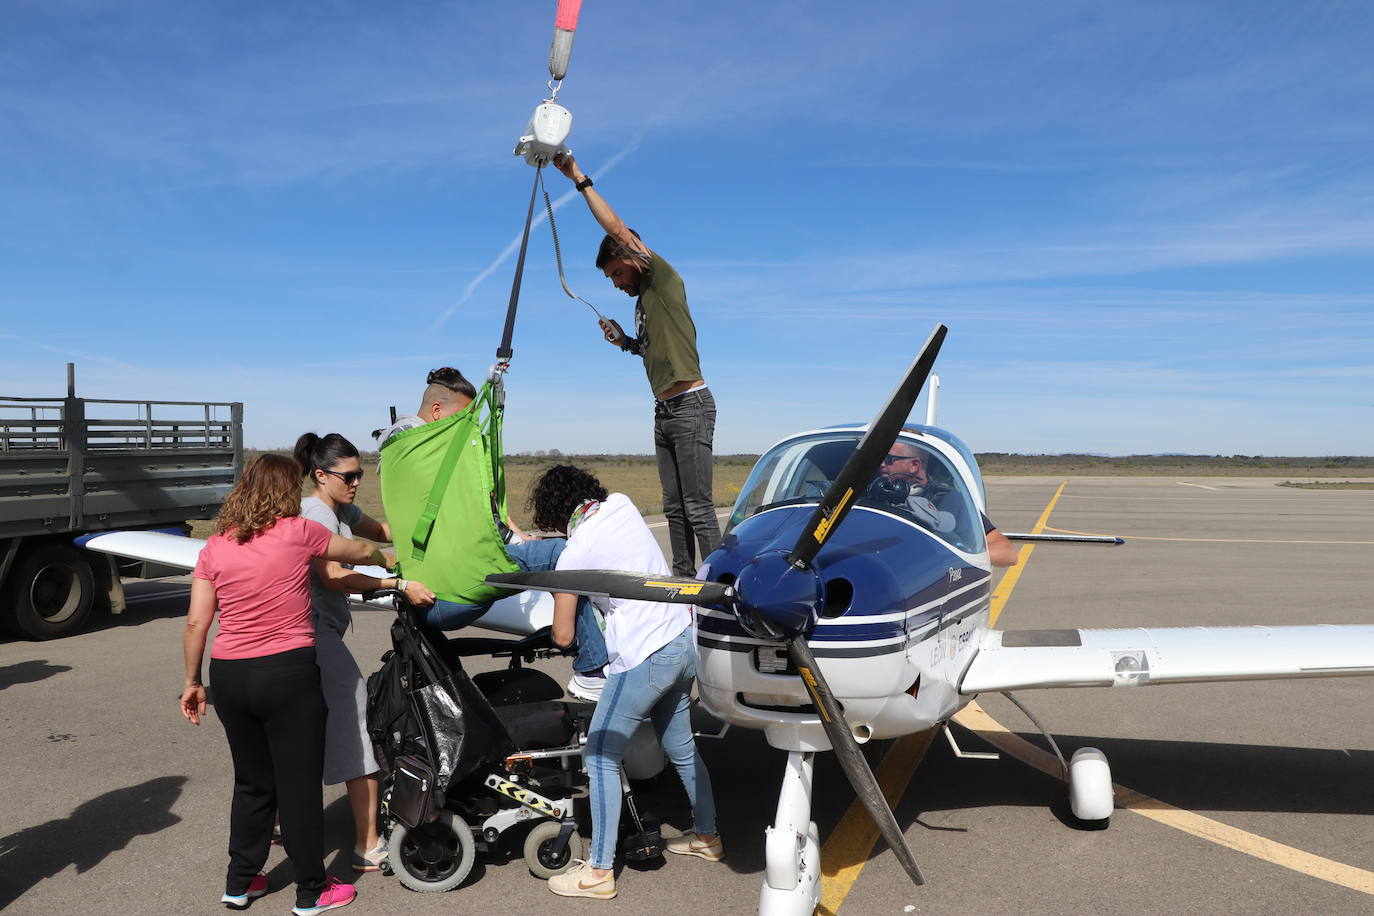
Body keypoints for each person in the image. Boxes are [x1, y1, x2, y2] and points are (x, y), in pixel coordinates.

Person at [181, 454, 385, 915]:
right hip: (288, 672)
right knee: (298, 784)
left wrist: (192, 683)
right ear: (285, 491)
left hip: (230, 675)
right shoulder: (298, 532)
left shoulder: (215, 547)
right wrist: (383, 557)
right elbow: (357, 553)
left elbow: (197, 623)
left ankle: (241, 881)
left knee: (253, 783)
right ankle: (312, 890)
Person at [530, 465, 720, 901]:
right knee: (682, 750)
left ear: (555, 514)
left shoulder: (573, 555)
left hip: (644, 658)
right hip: (681, 644)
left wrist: (561, 586)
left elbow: (561, 635)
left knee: (599, 755)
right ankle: (708, 837)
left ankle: (598, 872)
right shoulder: (622, 506)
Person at [382, 367, 609, 694]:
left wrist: (514, 535)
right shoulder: (420, 444)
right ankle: (592, 669)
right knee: (566, 552)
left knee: (542, 551)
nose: (465, 428)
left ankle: (586, 649)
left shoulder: (398, 454)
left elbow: (472, 510)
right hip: (454, 587)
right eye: (461, 419)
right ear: (436, 412)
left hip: (431, 588)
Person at [553, 153, 721, 578]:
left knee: (699, 507)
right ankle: (683, 583)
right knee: (675, 508)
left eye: (614, 273)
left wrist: (578, 177)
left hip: (690, 406)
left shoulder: (660, 279)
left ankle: (725, 585)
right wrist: (625, 342)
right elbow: (654, 351)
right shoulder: (645, 306)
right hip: (664, 412)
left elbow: (616, 228)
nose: (615, 283)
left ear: (630, 258)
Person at [293, 432, 437, 874]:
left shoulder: (339, 508)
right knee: (358, 723)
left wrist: (433, 516)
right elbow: (335, 575)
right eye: (348, 476)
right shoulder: (315, 513)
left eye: (359, 474)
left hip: (315, 632)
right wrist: (395, 582)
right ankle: (367, 843)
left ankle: (282, 820)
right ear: (320, 475)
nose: (356, 482)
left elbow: (381, 533)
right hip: (313, 633)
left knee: (303, 729)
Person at [876, 439, 1019, 568]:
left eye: (889, 459)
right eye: (879, 458)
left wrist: (945, 558)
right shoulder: (869, 495)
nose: (881, 465)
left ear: (914, 465)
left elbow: (1007, 553)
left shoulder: (951, 500)